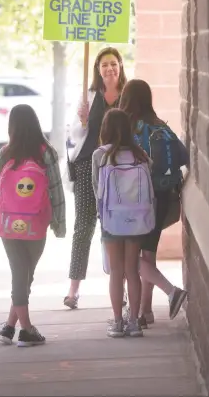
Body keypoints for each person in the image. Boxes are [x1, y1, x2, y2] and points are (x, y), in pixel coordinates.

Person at [0, 104, 66, 346]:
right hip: (36, 224)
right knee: (23, 274)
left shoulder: (4, 154)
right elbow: (55, 190)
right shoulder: (46, 153)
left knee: (21, 274)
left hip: (9, 224)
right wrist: (59, 223)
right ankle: (27, 329)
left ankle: (10, 326)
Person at [119, 79, 189, 328]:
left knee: (128, 256)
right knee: (148, 252)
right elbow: (183, 157)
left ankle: (149, 305)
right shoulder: (161, 127)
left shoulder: (128, 127)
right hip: (163, 196)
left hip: (137, 198)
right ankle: (145, 311)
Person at [64, 47, 127, 309]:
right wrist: (82, 119)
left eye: (114, 64)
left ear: (120, 66)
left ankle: (119, 289)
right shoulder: (88, 96)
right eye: (104, 65)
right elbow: (75, 134)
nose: (110, 69)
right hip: (87, 165)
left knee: (114, 229)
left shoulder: (127, 96)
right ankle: (74, 288)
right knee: (83, 227)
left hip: (118, 169)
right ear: (97, 70)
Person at [92, 109, 153, 338]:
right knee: (132, 270)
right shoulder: (141, 155)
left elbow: (96, 189)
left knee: (116, 271)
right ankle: (135, 323)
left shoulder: (101, 155)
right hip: (137, 219)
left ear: (105, 129)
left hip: (111, 219)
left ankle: (117, 322)